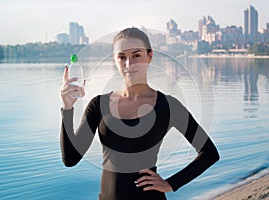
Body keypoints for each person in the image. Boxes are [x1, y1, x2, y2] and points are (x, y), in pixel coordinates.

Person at [60, 27, 220, 200]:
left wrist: (171, 184)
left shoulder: (168, 106)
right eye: (122, 57)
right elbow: (71, 159)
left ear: (149, 56)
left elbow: (209, 153)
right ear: (115, 60)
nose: (129, 64)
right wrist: (67, 108)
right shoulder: (98, 105)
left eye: (136, 55)